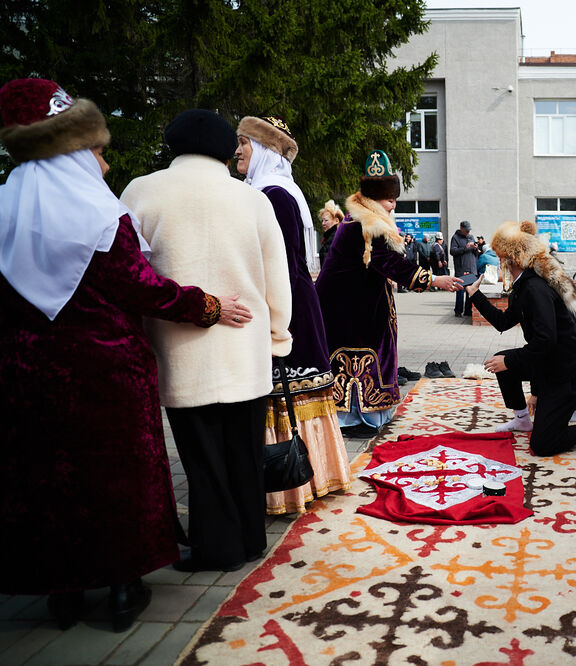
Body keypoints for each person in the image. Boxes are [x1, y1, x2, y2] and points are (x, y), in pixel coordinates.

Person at [0, 80, 248, 632]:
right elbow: (141, 288)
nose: (105, 164)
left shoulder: (6, 207)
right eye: (97, 150)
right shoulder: (96, 213)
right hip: (104, 373)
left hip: (26, 375)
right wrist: (208, 306)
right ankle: (121, 587)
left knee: (48, 480)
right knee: (112, 480)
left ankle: (62, 591)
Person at [121, 109, 293, 572]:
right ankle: (250, 538)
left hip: (179, 348)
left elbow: (130, 273)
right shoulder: (252, 199)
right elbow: (278, 278)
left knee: (201, 457)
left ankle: (217, 547)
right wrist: (278, 336)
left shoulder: (141, 191)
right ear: (225, 150)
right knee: (244, 450)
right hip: (246, 345)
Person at [234, 115, 351, 514]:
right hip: (291, 300)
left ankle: (291, 483)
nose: (237, 151)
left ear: (264, 150)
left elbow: (277, 264)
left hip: (286, 305)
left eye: (244, 144)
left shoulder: (273, 194)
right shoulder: (277, 190)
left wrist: (272, 319)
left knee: (286, 389)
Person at [316, 150, 463, 437]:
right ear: (373, 198)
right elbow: (392, 264)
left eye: (394, 199)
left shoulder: (358, 219)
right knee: (360, 361)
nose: (393, 206)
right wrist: (436, 280)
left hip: (352, 304)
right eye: (389, 200)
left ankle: (361, 416)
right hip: (352, 310)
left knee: (360, 358)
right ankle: (358, 418)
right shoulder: (367, 225)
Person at [466, 220, 576, 456]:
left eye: (501, 257)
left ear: (512, 258)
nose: (499, 262)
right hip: (549, 363)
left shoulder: (534, 288)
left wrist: (525, 378)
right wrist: (475, 295)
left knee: (542, 445)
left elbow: (546, 340)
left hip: (568, 373)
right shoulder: (522, 286)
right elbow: (504, 322)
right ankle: (522, 419)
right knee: (501, 362)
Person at [450, 220, 479, 317]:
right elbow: (452, 251)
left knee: (470, 291)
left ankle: (468, 311)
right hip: (461, 269)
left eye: (469, 230)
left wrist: (475, 249)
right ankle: (458, 311)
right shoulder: (455, 238)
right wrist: (465, 248)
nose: (468, 232)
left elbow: (476, 254)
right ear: (461, 228)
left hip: (471, 268)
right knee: (460, 291)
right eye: (466, 230)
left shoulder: (471, 237)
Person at [318, 200, 344, 267]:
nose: (323, 223)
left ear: (336, 221)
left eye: (326, 220)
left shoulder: (334, 237)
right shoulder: (331, 236)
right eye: (322, 220)